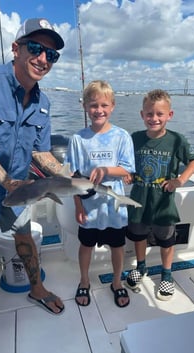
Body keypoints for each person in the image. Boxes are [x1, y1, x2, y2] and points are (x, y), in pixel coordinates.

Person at [0, 18, 66, 353]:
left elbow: (41, 151)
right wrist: (8, 182)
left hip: (18, 191)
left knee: (25, 238)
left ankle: (37, 288)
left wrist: (70, 176)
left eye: (51, 54)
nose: (43, 59)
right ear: (16, 48)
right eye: (36, 48)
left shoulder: (43, 103)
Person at [125, 89, 194, 301]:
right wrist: (128, 174)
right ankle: (141, 267)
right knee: (138, 235)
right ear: (142, 115)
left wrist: (180, 180)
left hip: (163, 202)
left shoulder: (177, 140)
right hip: (139, 198)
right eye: (149, 114)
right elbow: (127, 164)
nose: (154, 118)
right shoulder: (135, 138)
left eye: (160, 114)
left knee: (167, 240)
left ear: (170, 115)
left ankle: (167, 274)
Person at [65, 80, 135, 308]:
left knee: (118, 246)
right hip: (89, 208)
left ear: (113, 106)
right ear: (85, 106)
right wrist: (77, 206)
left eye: (104, 105)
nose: (99, 110)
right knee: (86, 245)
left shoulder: (122, 136)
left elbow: (127, 168)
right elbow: (72, 178)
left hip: (114, 208)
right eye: (93, 105)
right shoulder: (77, 139)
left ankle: (117, 281)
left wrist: (106, 170)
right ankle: (84, 280)